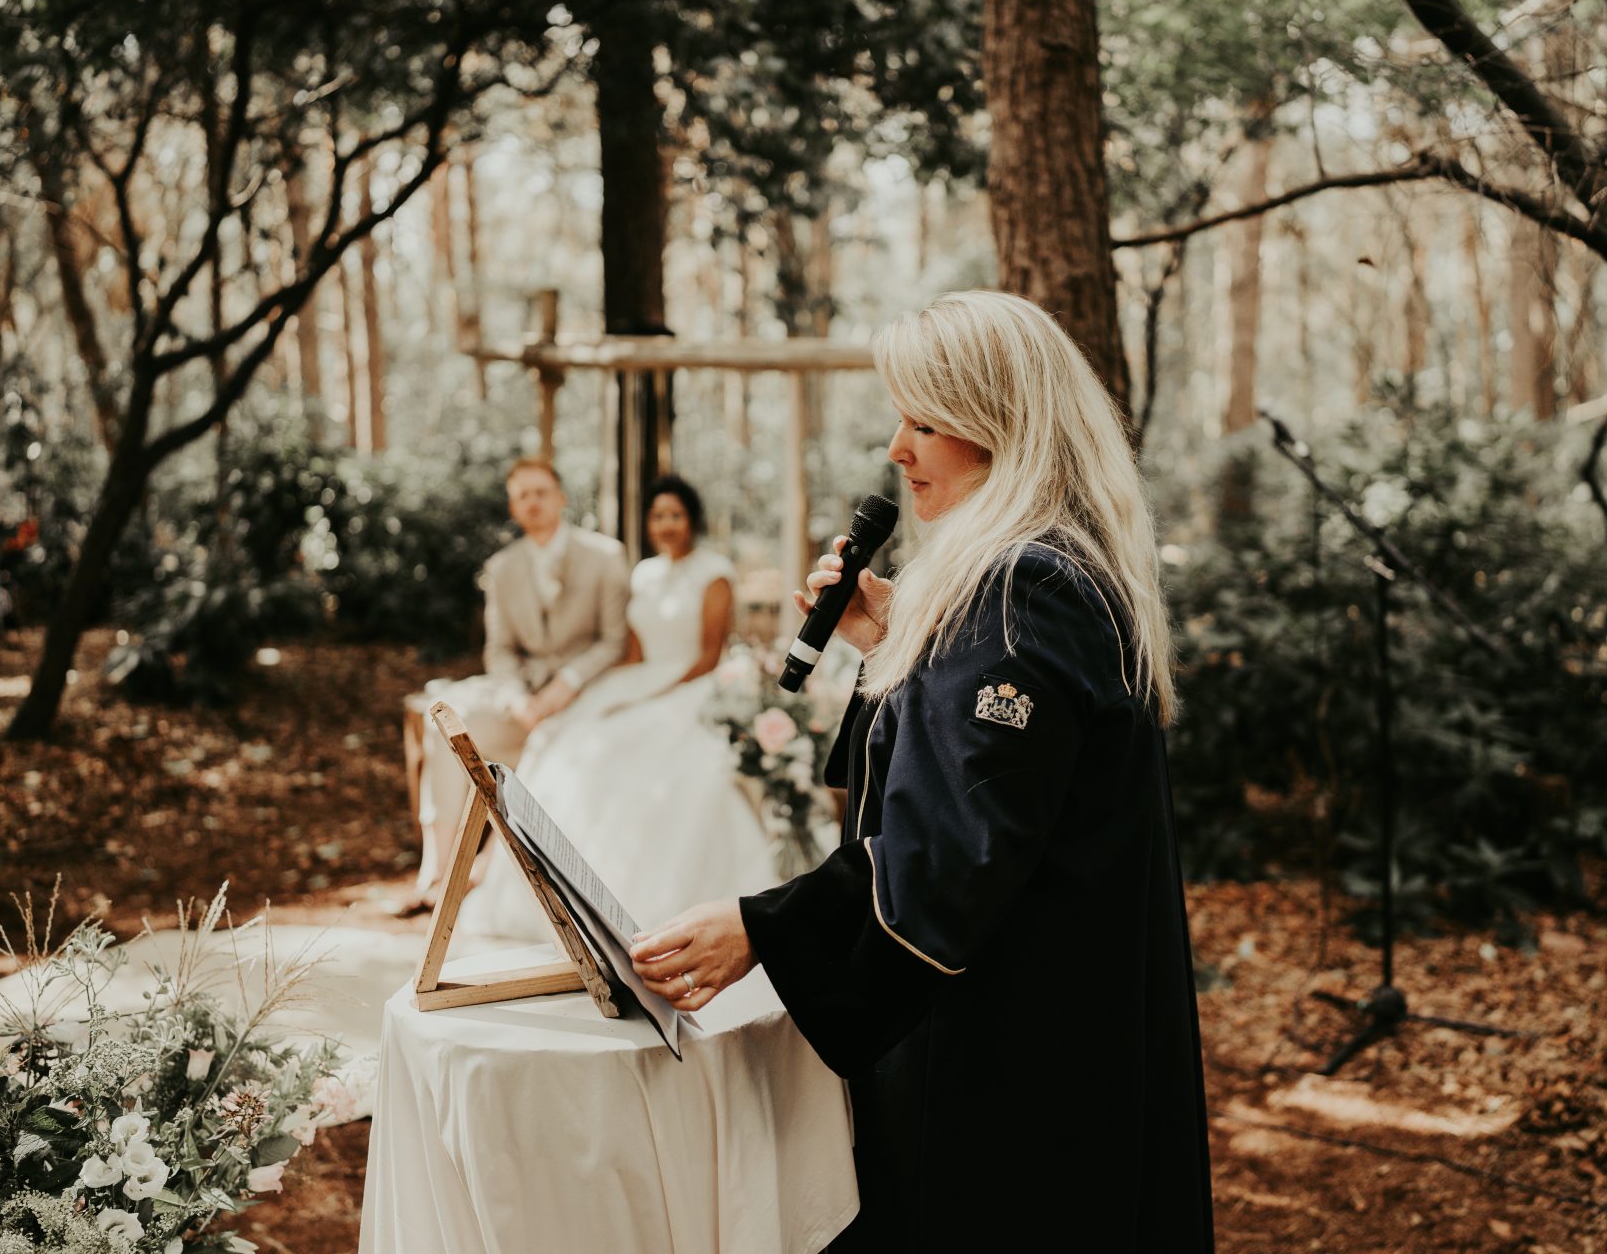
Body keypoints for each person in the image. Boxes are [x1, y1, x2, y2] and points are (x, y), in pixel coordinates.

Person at [629, 291, 1217, 1250]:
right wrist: (894, 648)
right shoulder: (1053, 574)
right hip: (1061, 1008)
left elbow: (954, 848)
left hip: (1018, 1042)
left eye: (926, 421)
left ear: (1003, 430)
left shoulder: (1024, 590)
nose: (897, 450)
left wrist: (763, 928)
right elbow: (961, 781)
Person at [456, 475, 781, 941]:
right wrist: (609, 691)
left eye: (675, 515)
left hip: (694, 682)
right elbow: (631, 646)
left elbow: (709, 653)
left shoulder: (714, 572)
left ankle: (632, 900)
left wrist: (653, 693)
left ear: (691, 520)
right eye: (658, 516)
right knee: (570, 736)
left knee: (650, 754)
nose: (666, 525)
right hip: (640, 676)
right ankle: (536, 886)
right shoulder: (643, 572)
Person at [410, 458, 630, 911]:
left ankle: (493, 875)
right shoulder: (503, 567)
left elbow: (614, 641)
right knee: (449, 728)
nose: (533, 502)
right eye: (522, 495)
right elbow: (500, 650)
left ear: (561, 498)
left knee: (548, 748)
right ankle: (437, 870)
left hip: (587, 696)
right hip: (524, 697)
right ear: (513, 507)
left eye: (541, 492)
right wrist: (514, 698)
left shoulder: (605, 555)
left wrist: (565, 686)